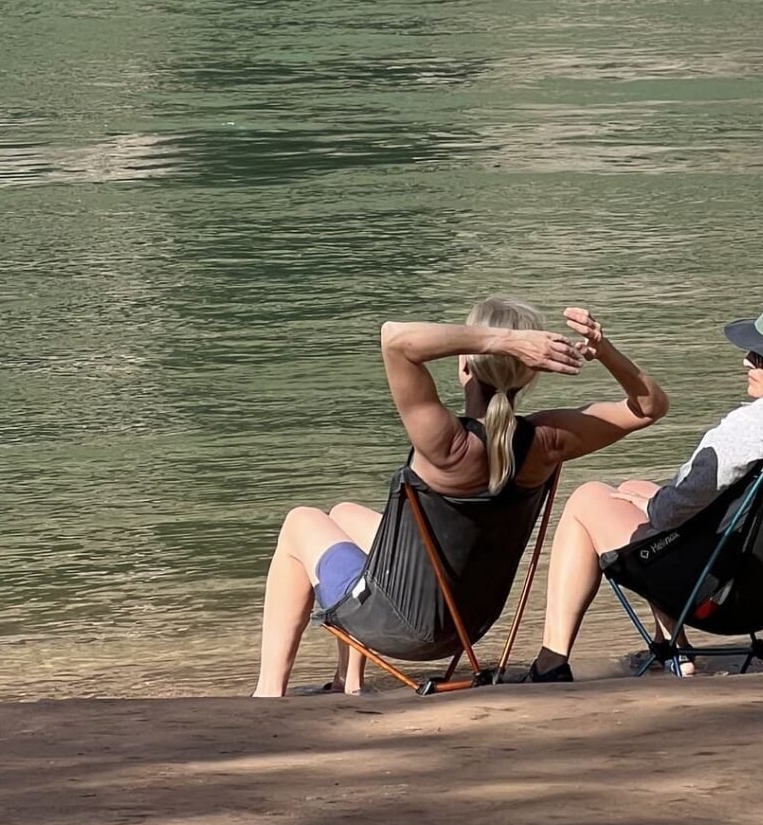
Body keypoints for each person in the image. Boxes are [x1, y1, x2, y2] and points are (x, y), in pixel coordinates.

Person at [253, 296, 668, 694]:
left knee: (300, 522)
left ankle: (268, 693)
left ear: (464, 364)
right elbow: (650, 407)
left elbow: (395, 339)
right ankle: (351, 683)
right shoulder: (547, 441)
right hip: (470, 625)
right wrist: (605, 349)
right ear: (531, 373)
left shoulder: (445, 445)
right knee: (343, 513)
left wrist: (500, 340)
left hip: (399, 626)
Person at [527, 291, 763, 682]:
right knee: (634, 485)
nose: (747, 360)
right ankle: (676, 656)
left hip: (711, 598)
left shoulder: (757, 425)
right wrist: (641, 497)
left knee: (587, 499)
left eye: (761, 357)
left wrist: (646, 505)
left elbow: (667, 513)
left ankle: (550, 664)